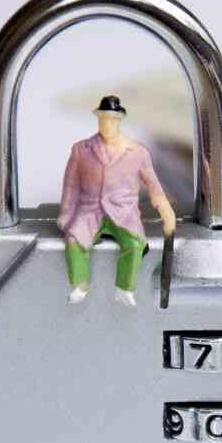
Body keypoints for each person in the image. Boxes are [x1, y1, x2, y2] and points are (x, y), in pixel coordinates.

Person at [57, 95, 176, 306]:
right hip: (89, 211)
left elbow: (153, 185)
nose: (107, 124)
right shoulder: (81, 149)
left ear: (120, 120)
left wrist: (165, 209)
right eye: (103, 118)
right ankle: (80, 285)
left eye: (112, 119)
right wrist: (66, 213)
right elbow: (71, 185)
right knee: (74, 241)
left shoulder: (137, 152)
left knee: (134, 244)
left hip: (123, 212)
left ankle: (124, 288)